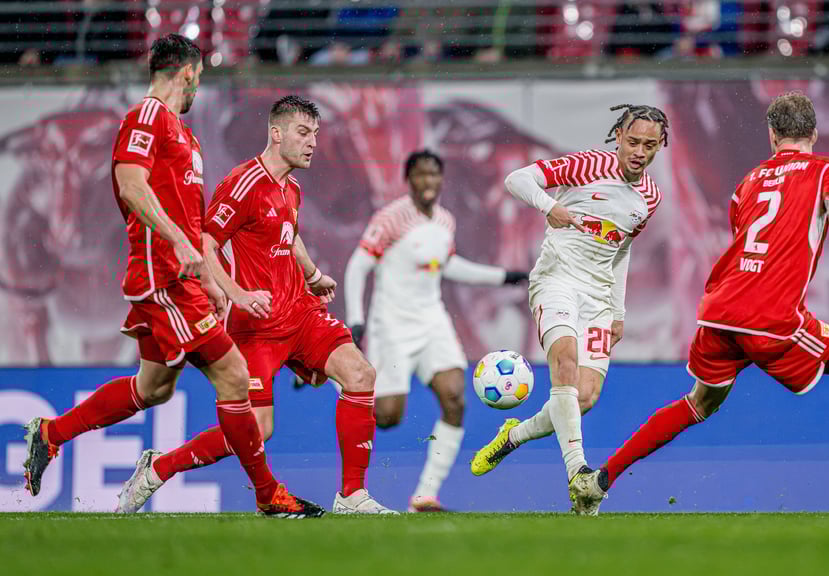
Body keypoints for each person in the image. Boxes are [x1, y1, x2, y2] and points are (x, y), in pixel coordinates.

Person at [578, 91, 829, 513]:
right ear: (815, 132)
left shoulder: (747, 183)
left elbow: (746, 244)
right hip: (770, 318)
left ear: (772, 135)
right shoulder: (828, 168)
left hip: (719, 309)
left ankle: (599, 480)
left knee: (699, 403)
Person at [21, 35, 321, 518]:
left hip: (183, 278)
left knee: (153, 388)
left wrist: (207, 275)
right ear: (187, 72)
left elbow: (190, 220)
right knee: (234, 376)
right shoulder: (147, 116)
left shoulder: (187, 137)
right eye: (199, 76)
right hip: (161, 275)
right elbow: (130, 183)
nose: (199, 84)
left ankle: (50, 433)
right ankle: (269, 496)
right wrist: (178, 245)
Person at [115, 95, 396, 515]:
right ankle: (160, 466)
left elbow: (288, 233)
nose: (313, 143)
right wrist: (237, 293)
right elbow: (206, 244)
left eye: (316, 134)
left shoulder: (293, 188)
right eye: (303, 133)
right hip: (255, 326)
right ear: (276, 133)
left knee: (360, 373)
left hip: (299, 313)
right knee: (257, 431)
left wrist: (313, 274)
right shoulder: (242, 183)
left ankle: (352, 496)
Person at [299, 149, 529, 512]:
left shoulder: (445, 221)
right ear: (408, 180)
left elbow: (448, 265)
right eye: (420, 175)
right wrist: (356, 320)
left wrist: (504, 277)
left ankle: (425, 496)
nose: (428, 181)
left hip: (432, 321)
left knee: (454, 397)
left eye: (434, 174)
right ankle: (332, 377)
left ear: (441, 179)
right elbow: (359, 266)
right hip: (392, 325)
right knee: (388, 417)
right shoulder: (390, 219)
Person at [469, 105, 668, 515]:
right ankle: (579, 473)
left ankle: (514, 435)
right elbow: (517, 179)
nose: (639, 152)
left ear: (660, 146)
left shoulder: (650, 197)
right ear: (618, 136)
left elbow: (622, 249)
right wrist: (548, 206)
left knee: (586, 396)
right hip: (556, 281)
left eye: (650, 145)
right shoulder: (588, 164)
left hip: (598, 298)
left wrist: (618, 311)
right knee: (564, 361)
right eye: (633, 142)